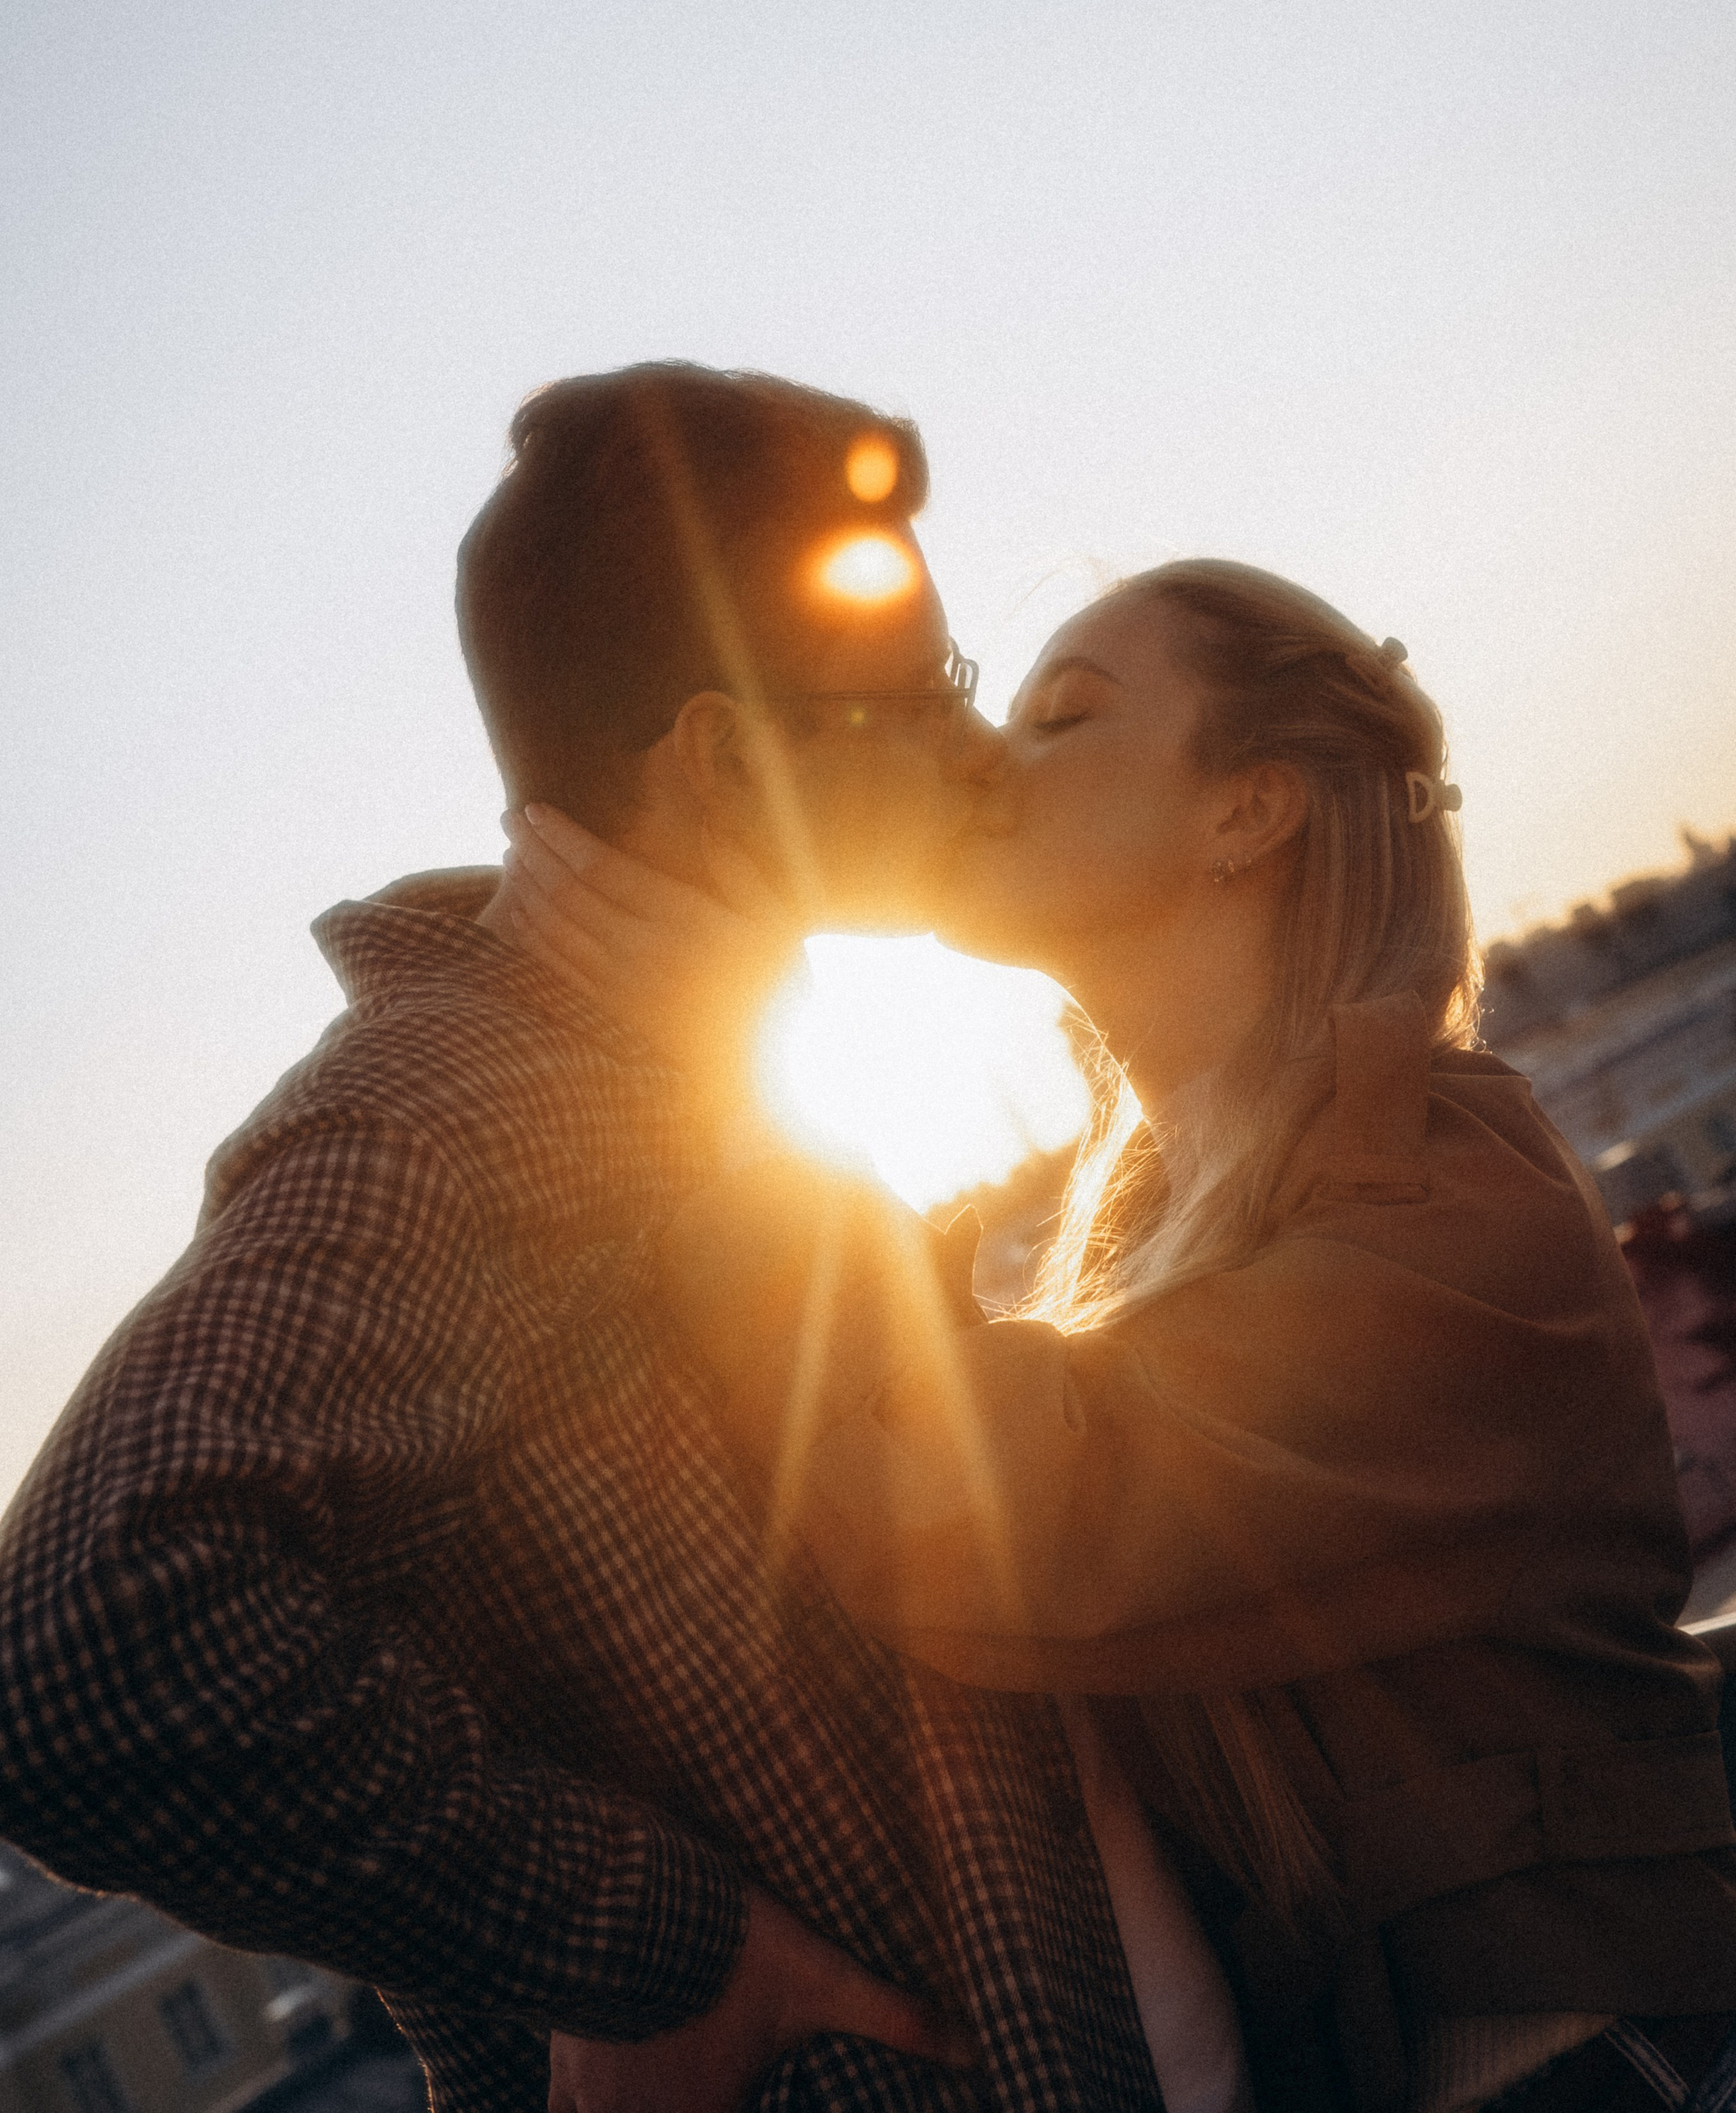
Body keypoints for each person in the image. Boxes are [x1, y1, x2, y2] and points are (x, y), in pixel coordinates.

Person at [0, 365, 1171, 2113]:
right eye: (920, 693)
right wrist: (665, 1945)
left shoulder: (666, 1083)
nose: (970, 747)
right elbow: (84, 1651)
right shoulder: (453, 1107)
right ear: (719, 758)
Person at [495, 559, 1736, 2113]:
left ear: (1245, 813)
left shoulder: (1443, 1190)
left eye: (1062, 715)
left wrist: (711, 1086)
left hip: (1580, 2065)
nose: (989, 760)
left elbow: (992, 1521)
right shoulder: (1139, 1228)